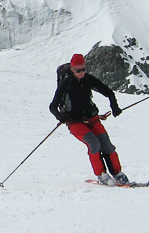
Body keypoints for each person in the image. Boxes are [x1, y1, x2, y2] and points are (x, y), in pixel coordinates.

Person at [48, 53, 129, 185]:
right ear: (72, 69)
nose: (81, 72)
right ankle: (101, 174)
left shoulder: (88, 79)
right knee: (94, 144)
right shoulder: (66, 83)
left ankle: (117, 173)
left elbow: (108, 92)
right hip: (75, 122)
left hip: (92, 118)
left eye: (83, 69)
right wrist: (61, 117)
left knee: (107, 145)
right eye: (78, 70)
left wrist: (114, 107)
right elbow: (53, 106)